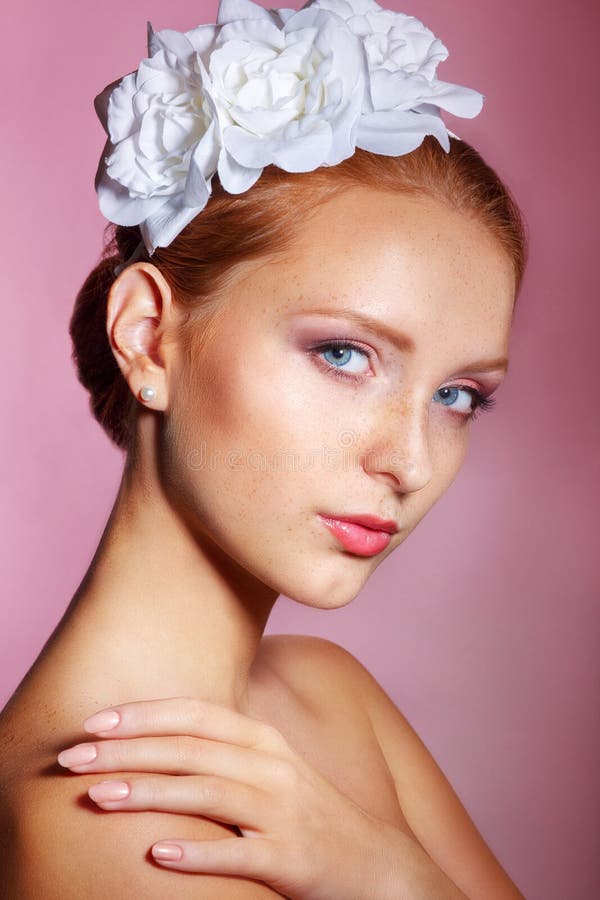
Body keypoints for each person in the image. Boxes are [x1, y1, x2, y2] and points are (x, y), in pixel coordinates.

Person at [0, 1, 528, 897]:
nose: (410, 461)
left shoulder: (330, 694)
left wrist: (389, 876)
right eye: (343, 354)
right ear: (148, 337)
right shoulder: (107, 824)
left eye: (456, 396)